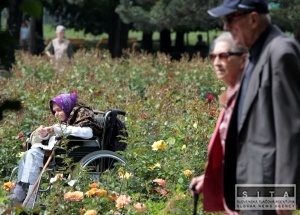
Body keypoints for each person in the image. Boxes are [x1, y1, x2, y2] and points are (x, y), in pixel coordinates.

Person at [206, 0, 300, 214]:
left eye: (230, 19)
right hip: (251, 182)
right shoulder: (256, 53)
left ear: (253, 19)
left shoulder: (280, 52)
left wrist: (286, 193)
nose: (226, 27)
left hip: (267, 187)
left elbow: (292, 128)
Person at [9, 93, 102, 208]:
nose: (56, 114)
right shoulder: (66, 119)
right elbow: (58, 137)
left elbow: (87, 133)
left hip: (78, 151)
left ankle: (25, 196)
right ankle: (23, 193)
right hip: (60, 150)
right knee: (29, 154)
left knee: (32, 154)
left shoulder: (82, 114)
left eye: (59, 110)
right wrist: (45, 136)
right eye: (54, 111)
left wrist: (57, 129)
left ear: (67, 107)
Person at [190, 32, 247, 214]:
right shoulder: (232, 97)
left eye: (224, 56)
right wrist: (208, 178)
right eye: (213, 56)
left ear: (243, 60)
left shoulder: (251, 98)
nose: (216, 61)